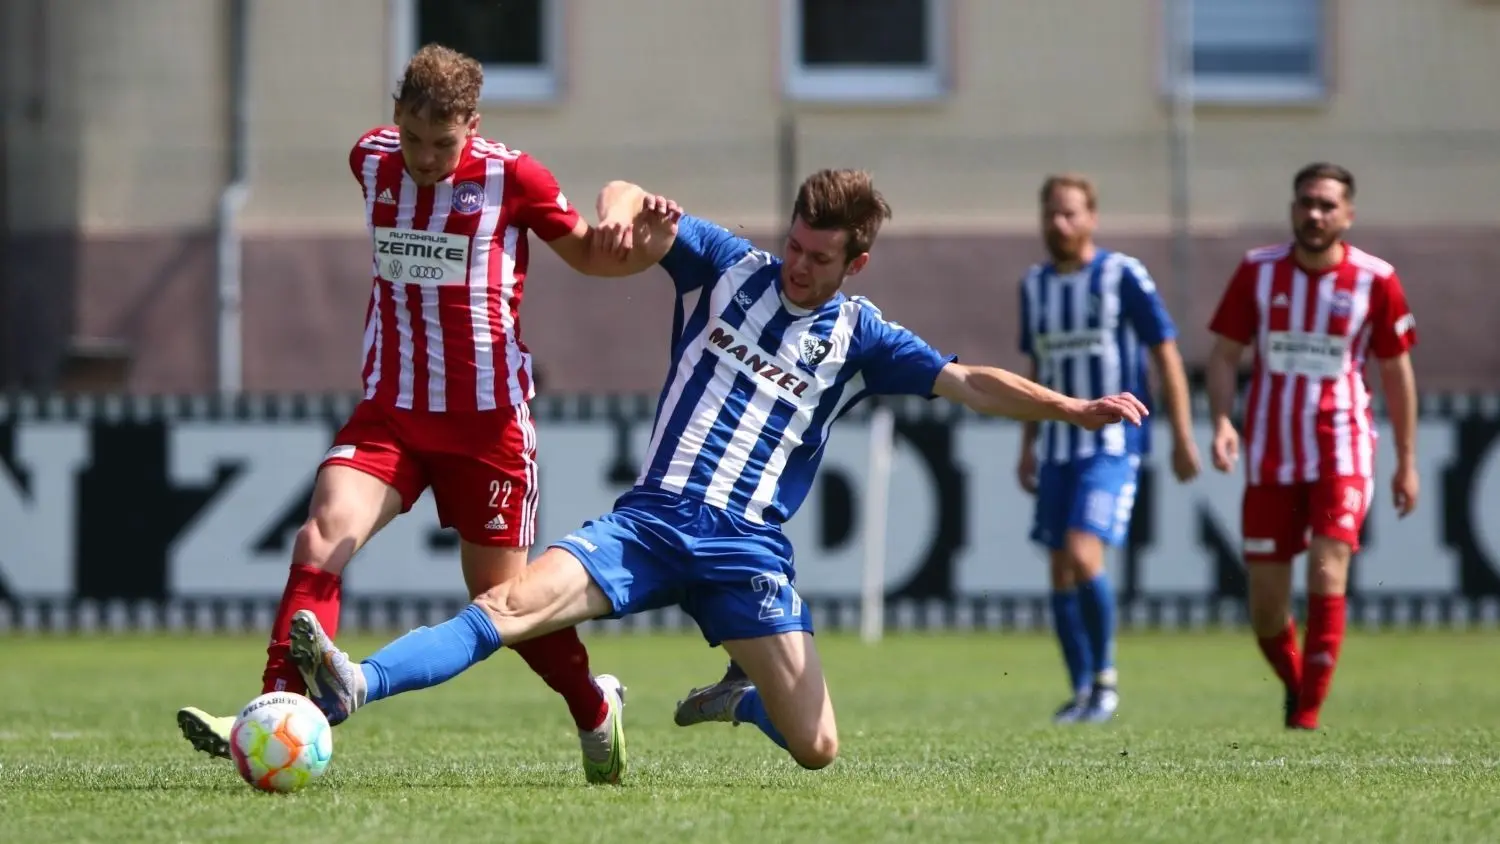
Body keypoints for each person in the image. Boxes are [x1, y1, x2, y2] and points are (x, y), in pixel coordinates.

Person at [284, 169, 1148, 771]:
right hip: (651, 523)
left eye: (818, 256)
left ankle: (740, 698)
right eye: (795, 243)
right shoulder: (728, 263)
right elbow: (629, 194)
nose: (797, 264)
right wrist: (623, 211)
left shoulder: (863, 337)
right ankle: (358, 682)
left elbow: (967, 382)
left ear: (857, 262)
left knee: (819, 749)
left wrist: (1072, 409)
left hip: (747, 551)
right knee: (507, 607)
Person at [174, 43, 679, 784]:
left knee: (502, 604)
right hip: (392, 414)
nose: (425, 158)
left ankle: (594, 706)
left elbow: (593, 258)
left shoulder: (514, 176)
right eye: (413, 138)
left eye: (443, 144)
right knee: (321, 535)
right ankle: (273, 709)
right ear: (395, 122)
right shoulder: (370, 160)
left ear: (471, 126)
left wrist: (643, 249)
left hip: (488, 427)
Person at [1206, 162, 1419, 730]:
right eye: (1306, 203)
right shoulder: (1258, 272)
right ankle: (1298, 685)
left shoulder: (1377, 280)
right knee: (1266, 606)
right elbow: (1224, 356)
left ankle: (1307, 715)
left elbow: (1397, 373)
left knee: (1329, 566)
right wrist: (1223, 422)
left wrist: (1408, 461)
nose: (1315, 214)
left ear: (1348, 214)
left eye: (1327, 205)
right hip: (1272, 451)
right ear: (1292, 209)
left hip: (1342, 446)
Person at [1016, 174, 1200, 725]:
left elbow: (1165, 352)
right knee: (1058, 569)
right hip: (1054, 445)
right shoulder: (1033, 284)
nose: (1060, 223)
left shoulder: (1123, 275)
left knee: (1081, 551)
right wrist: (1027, 444)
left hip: (1113, 444)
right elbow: (1038, 368)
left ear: (1092, 217)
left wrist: (1183, 434)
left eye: (1071, 213)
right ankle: (1080, 692)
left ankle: (1106, 680)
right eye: (1052, 213)